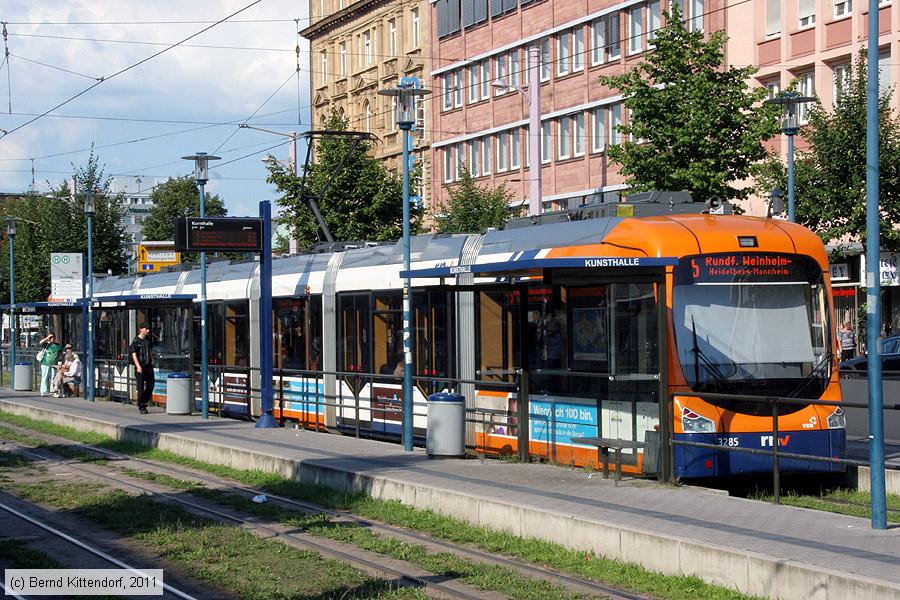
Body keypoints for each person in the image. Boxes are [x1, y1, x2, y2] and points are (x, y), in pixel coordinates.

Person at [131, 323, 155, 414]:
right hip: (140, 367)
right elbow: (134, 354)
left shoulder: (148, 340)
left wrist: (152, 361)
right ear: (141, 329)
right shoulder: (136, 341)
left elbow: (150, 351)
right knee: (140, 386)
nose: (148, 330)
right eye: (146, 329)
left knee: (151, 385)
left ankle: (142, 401)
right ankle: (142, 406)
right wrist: (138, 366)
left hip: (148, 366)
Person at [37, 332, 64, 397]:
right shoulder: (46, 345)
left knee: (53, 377)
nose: (52, 339)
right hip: (45, 363)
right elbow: (40, 343)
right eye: (51, 338)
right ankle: (43, 391)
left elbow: (61, 353)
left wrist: (60, 361)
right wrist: (47, 338)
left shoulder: (58, 346)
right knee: (45, 377)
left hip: (54, 364)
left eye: (53, 337)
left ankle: (53, 391)